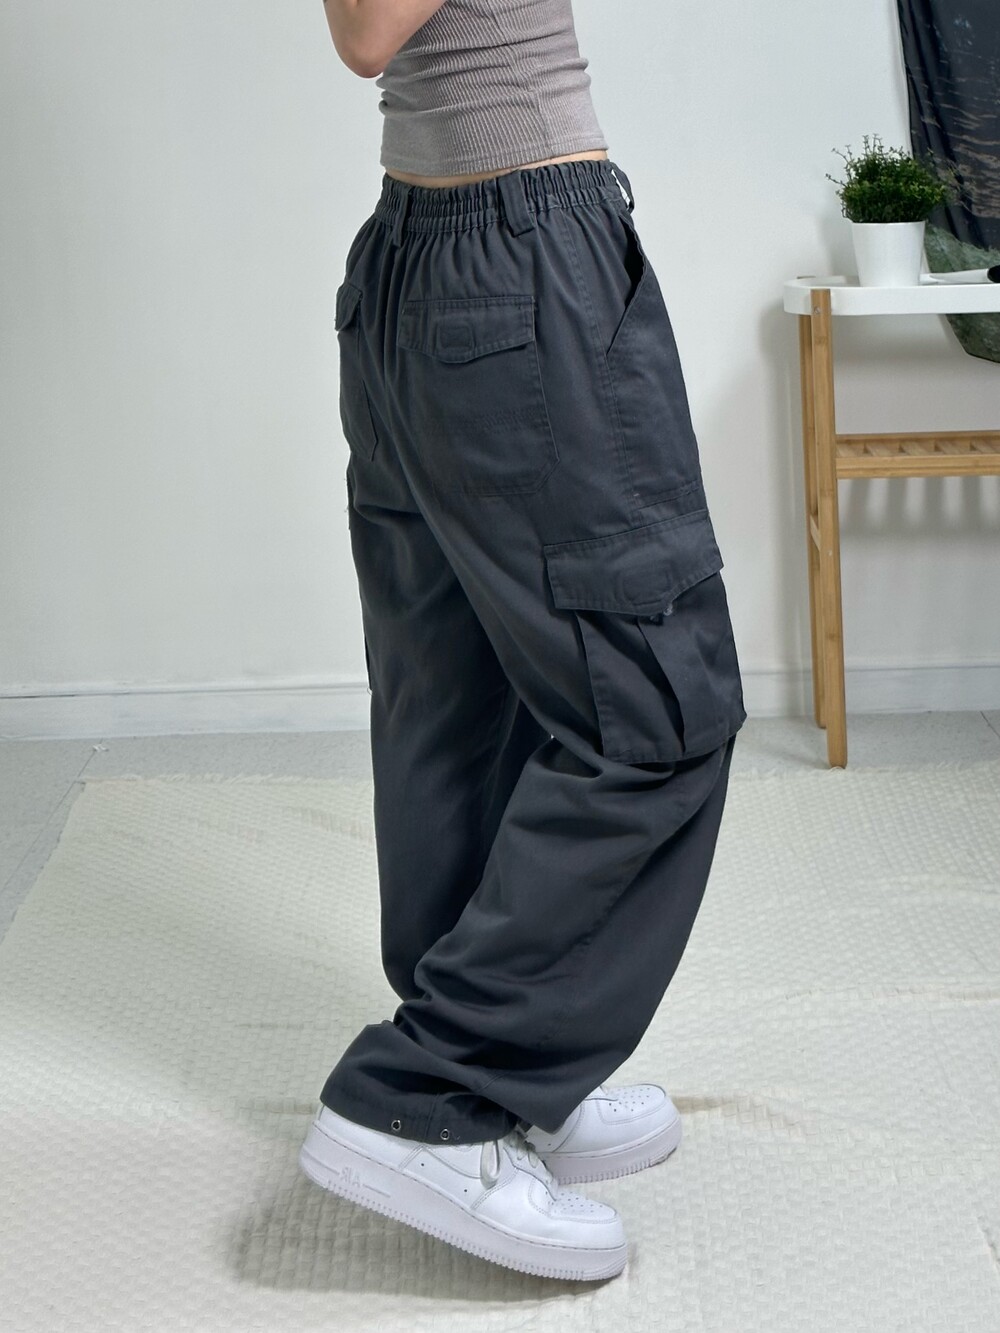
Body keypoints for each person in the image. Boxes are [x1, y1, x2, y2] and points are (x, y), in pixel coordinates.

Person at [299, 0, 747, 1283]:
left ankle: (500, 1072)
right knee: (653, 706)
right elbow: (370, 31)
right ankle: (435, 1090)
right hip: (519, 257)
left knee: (464, 700)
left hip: (429, 255)